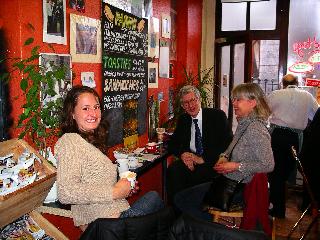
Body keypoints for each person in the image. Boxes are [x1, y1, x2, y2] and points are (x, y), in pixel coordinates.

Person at [55, 86, 164, 231]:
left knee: (157, 203)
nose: (93, 113)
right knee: (155, 200)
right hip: (108, 227)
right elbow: (66, 192)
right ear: (72, 113)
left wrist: (124, 188)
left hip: (116, 219)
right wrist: (115, 192)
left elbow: (95, 182)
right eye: (85, 108)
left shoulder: (89, 141)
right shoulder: (69, 140)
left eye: (96, 107)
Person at [174, 83, 274, 222]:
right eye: (234, 99)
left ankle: (208, 230)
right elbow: (230, 147)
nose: (234, 103)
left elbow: (268, 165)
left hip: (238, 188)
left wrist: (235, 166)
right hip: (229, 180)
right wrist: (223, 157)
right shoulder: (244, 123)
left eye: (238, 99)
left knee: (182, 199)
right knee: (180, 180)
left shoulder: (255, 129)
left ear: (252, 103)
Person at [166, 85, 233, 204]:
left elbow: (227, 143)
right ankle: (176, 212)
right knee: (173, 171)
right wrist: (183, 154)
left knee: (197, 177)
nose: (190, 106)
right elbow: (172, 144)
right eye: (186, 103)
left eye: (192, 100)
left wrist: (203, 159)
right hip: (191, 161)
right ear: (182, 106)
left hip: (212, 161)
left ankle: (197, 212)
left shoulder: (217, 116)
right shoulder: (184, 120)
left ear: (199, 99)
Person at [267, 74, 319, 218]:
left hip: (277, 135)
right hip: (295, 138)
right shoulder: (307, 96)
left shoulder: (275, 94)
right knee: (286, 173)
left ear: (282, 83)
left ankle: (277, 209)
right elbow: (317, 115)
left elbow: (264, 112)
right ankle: (279, 207)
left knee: (275, 173)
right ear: (297, 83)